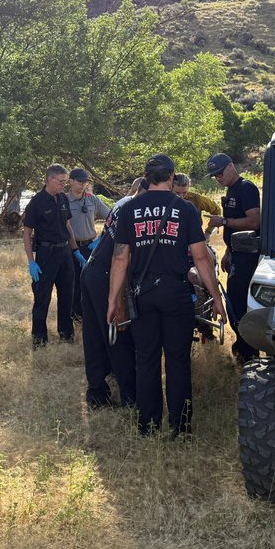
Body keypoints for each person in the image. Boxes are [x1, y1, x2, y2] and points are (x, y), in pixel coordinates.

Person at [108, 154, 226, 436]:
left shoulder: (129, 209)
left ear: (147, 177)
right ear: (172, 177)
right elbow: (200, 257)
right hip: (176, 293)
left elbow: (120, 259)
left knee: (146, 359)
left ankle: (148, 424)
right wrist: (216, 297)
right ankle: (181, 426)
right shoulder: (184, 209)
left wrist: (113, 300)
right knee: (177, 360)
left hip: (143, 293)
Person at [79, 178, 147, 409]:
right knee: (118, 335)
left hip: (91, 270)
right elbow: (122, 260)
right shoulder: (136, 212)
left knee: (95, 336)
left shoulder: (124, 202)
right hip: (106, 275)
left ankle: (97, 394)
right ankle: (130, 399)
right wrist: (118, 300)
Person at [22, 164, 86, 348]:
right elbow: (26, 233)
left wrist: (75, 251)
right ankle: (39, 339)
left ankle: (66, 335)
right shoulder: (36, 202)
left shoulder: (63, 199)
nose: (63, 185)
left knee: (67, 295)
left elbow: (68, 226)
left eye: (65, 182)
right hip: (46, 253)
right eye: (61, 182)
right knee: (42, 298)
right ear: (50, 179)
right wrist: (31, 261)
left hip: (65, 252)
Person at [206, 153, 261, 364]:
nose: (218, 178)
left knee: (238, 303)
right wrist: (228, 251)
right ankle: (243, 347)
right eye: (214, 176)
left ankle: (249, 354)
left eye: (220, 173)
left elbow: (254, 222)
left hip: (249, 256)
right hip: (237, 253)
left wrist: (224, 220)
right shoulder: (231, 190)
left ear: (231, 166)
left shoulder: (246, 188)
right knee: (234, 304)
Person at [66, 168, 111, 320]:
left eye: (85, 182)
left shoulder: (92, 199)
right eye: (79, 181)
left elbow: (112, 217)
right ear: (70, 181)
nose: (83, 185)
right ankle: (74, 314)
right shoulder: (63, 199)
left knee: (89, 281)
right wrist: (74, 250)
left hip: (90, 246)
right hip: (71, 248)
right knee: (72, 283)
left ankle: (87, 314)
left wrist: (101, 238)